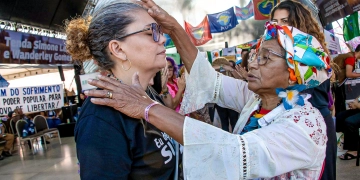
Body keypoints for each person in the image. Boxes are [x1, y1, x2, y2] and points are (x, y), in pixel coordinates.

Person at [85, 0, 331, 179]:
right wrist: (174, 29)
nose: (252, 62)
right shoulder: (257, 99)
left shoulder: (304, 124)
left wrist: (148, 108)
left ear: (293, 75)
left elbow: (235, 153)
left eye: (266, 57)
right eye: (256, 54)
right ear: (117, 49)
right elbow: (209, 80)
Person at [65, 2, 178, 179]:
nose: (163, 39)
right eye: (151, 32)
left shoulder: (148, 93)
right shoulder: (100, 117)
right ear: (118, 49)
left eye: (160, 31)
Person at [270, 1, 337, 179]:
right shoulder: (282, 52)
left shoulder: (309, 53)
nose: (279, 27)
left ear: (299, 23)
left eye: (285, 21)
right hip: (291, 127)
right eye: (275, 22)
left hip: (316, 127)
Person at [333, 45, 360, 116]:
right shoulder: (351, 57)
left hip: (337, 82)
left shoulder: (351, 56)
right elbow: (349, 74)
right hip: (337, 83)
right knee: (340, 104)